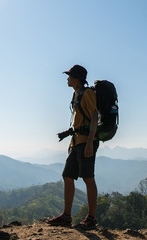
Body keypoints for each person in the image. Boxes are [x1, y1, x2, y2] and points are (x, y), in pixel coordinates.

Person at [47, 64, 99, 230]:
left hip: (86, 142)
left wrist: (90, 142)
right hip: (76, 142)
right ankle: (66, 216)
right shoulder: (76, 93)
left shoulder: (88, 93)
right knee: (67, 175)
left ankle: (91, 219)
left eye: (70, 76)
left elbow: (94, 117)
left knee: (88, 178)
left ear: (77, 78)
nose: (68, 79)